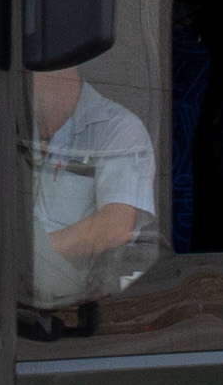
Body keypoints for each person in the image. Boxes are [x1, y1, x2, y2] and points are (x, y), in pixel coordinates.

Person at [25, 62, 159, 307]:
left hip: (76, 307)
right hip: (11, 295)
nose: (17, 82)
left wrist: (24, 256)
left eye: (24, 70)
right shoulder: (17, 128)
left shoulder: (119, 129)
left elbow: (115, 227)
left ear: (56, 66)